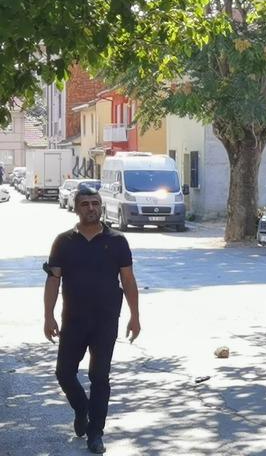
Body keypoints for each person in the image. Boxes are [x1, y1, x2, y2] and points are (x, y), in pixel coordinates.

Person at [43, 184, 141, 454]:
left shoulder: (117, 241)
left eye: (95, 203)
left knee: (100, 376)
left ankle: (96, 433)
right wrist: (48, 315)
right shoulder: (63, 241)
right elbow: (53, 280)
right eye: (85, 204)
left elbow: (128, 280)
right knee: (64, 373)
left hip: (105, 320)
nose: (91, 208)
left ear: (101, 206)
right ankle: (82, 409)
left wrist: (135, 316)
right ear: (76, 209)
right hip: (73, 319)